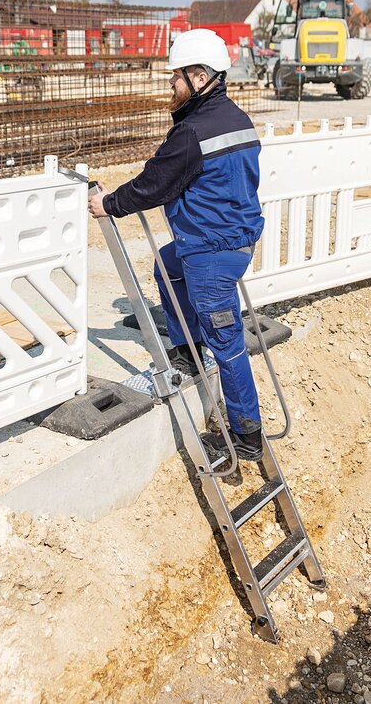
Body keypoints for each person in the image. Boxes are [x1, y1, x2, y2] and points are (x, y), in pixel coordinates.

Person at [87, 28, 265, 462]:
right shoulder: (236, 118)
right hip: (233, 239)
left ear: (200, 77)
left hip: (211, 252)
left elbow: (155, 184)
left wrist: (108, 203)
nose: (171, 84)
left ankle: (245, 436)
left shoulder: (193, 133)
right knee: (166, 266)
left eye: (177, 77)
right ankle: (186, 349)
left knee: (228, 342)